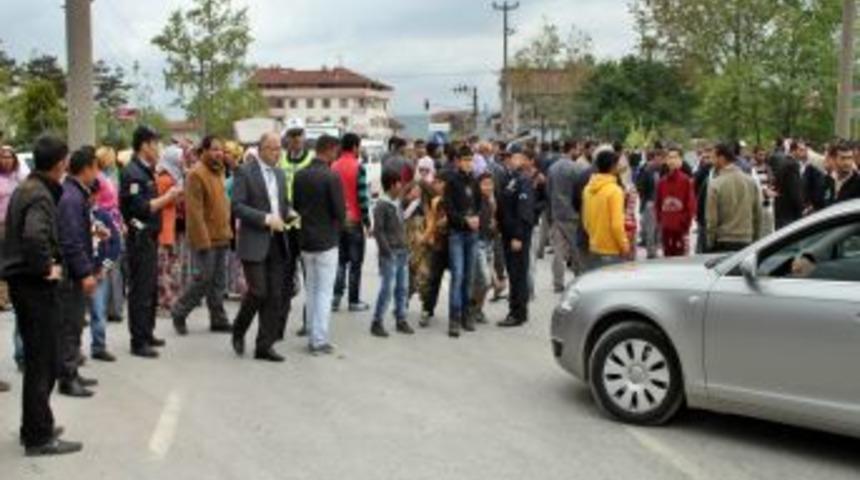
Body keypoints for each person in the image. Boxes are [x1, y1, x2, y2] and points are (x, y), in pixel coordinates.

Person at [1, 135, 83, 456]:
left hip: (24, 284)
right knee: (43, 362)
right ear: (60, 163)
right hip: (34, 287)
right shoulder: (39, 194)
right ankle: (38, 437)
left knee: (38, 360)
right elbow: (35, 236)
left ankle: (34, 426)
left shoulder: (29, 188)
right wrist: (47, 268)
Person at [121, 126, 182, 359]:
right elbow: (139, 209)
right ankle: (138, 340)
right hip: (140, 237)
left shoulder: (145, 170)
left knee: (149, 289)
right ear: (144, 145)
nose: (158, 149)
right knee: (140, 290)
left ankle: (147, 333)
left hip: (149, 236)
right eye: (155, 144)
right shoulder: (132, 173)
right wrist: (168, 198)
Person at [231, 133, 293, 362]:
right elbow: (237, 207)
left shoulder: (280, 174)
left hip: (277, 241)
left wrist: (289, 212)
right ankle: (239, 329)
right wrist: (266, 219)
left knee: (274, 295)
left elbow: (282, 204)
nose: (278, 153)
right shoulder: (245, 172)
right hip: (254, 241)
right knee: (258, 291)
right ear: (261, 149)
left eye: (279, 148)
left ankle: (264, 346)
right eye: (273, 149)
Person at [170, 136, 233, 335]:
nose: (219, 153)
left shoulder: (219, 171)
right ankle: (179, 311)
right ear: (204, 151)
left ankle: (218, 319)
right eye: (214, 149)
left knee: (218, 282)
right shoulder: (196, 174)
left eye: (220, 149)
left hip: (222, 235)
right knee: (203, 279)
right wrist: (203, 241)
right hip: (205, 239)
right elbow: (195, 212)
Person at [292, 135, 345, 355]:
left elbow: (295, 206)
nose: (336, 155)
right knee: (324, 292)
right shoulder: (331, 177)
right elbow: (339, 212)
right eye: (336, 151)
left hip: (306, 240)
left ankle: (312, 331)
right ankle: (318, 339)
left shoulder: (300, 175)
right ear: (329, 149)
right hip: (326, 241)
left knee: (312, 289)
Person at [56, 147, 101, 398]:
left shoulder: (76, 193)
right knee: (70, 325)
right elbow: (71, 240)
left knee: (75, 323)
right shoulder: (71, 196)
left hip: (74, 271)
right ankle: (67, 377)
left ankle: (72, 371)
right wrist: (85, 272)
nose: (97, 174)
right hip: (71, 273)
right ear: (86, 169)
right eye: (95, 168)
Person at [278, 118, 314, 338]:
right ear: (287, 138)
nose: (296, 138)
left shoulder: (312, 160)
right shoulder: (280, 159)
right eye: (292, 134)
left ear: (304, 136)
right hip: (285, 226)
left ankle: (309, 322)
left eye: (299, 133)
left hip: (306, 227)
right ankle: (279, 323)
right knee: (285, 276)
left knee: (310, 278)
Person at [370, 169, 413, 338]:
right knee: (387, 289)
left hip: (402, 251)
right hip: (390, 253)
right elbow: (378, 231)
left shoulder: (397, 202)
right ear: (392, 185)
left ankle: (401, 319)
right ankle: (377, 321)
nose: (401, 186)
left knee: (402, 288)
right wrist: (386, 252)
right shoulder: (382, 205)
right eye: (399, 183)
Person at [443, 146, 481, 337]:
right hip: (457, 234)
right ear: (458, 161)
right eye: (465, 160)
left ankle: (467, 315)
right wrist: (465, 220)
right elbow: (449, 210)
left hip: (472, 235)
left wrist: (477, 218)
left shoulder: (475, 181)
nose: (468, 163)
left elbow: (480, 205)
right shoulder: (451, 182)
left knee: (469, 276)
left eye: (470, 159)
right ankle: (454, 319)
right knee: (457, 275)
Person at [331, 133, 371, 312]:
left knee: (340, 261)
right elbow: (362, 198)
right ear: (355, 147)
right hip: (354, 221)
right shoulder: (358, 167)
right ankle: (353, 301)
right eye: (359, 146)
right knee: (355, 263)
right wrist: (367, 221)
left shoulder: (333, 166)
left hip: (337, 221)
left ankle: (335, 298)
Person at [497, 150, 536, 328]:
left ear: (524, 160)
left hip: (517, 236)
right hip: (508, 234)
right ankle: (518, 310)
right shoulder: (512, 179)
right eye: (512, 157)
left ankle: (517, 313)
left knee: (518, 274)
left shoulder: (524, 180)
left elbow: (524, 210)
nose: (512, 160)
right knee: (514, 273)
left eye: (516, 157)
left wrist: (518, 236)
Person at [546, 140, 588, 293]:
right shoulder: (577, 168)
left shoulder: (552, 168)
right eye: (577, 149)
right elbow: (580, 193)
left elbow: (548, 191)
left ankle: (558, 283)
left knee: (558, 251)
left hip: (557, 213)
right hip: (572, 214)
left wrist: (551, 213)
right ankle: (579, 278)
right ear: (572, 149)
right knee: (576, 248)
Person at [706, 143, 762, 253]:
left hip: (723, 241)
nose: (711, 161)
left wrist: (710, 242)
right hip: (746, 239)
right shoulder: (750, 181)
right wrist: (755, 239)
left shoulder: (715, 184)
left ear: (721, 158)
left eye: (713, 157)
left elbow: (712, 220)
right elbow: (757, 214)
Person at [89, 180, 121, 363]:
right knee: (73, 316)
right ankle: (72, 351)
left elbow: (116, 245)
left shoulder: (104, 216)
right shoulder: (75, 213)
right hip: (80, 269)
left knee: (98, 310)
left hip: (98, 270)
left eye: (93, 194)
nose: (90, 198)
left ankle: (99, 346)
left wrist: (105, 266)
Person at [582, 148, 631, 269]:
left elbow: (585, 221)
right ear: (613, 166)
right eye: (618, 164)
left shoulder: (588, 189)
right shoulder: (615, 191)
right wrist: (624, 245)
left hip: (593, 247)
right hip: (611, 250)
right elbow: (616, 225)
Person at [94, 147, 125, 323]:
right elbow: (100, 203)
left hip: (113, 220)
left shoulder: (107, 176)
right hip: (106, 222)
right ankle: (109, 307)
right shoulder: (99, 178)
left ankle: (113, 306)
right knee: (110, 262)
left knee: (113, 263)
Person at [155, 146, 185, 317]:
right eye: (179, 158)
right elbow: (161, 202)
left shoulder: (171, 177)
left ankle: (169, 300)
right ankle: (166, 302)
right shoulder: (165, 179)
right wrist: (176, 194)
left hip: (168, 228)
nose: (182, 161)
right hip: (164, 229)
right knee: (165, 268)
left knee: (168, 267)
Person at [467, 173, 497, 325]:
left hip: (489, 242)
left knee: (486, 281)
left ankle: (477, 309)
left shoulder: (491, 202)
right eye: (484, 184)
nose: (488, 187)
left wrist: (493, 226)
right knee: (484, 280)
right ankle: (472, 307)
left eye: (490, 184)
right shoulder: (474, 202)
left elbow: (492, 224)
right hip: (477, 243)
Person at [656, 147, 696, 257]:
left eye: (675, 157)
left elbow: (690, 205)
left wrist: (684, 224)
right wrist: (661, 221)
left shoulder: (686, 181)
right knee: (667, 257)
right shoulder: (662, 182)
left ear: (680, 160)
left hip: (680, 229)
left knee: (681, 258)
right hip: (666, 228)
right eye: (669, 157)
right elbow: (658, 204)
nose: (672, 160)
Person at [421, 174, 449, 327]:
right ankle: (427, 309)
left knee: (461, 279)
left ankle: (463, 311)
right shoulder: (435, 201)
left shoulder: (454, 200)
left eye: (439, 182)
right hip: (438, 245)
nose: (436, 185)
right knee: (433, 279)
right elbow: (432, 223)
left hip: (454, 244)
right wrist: (426, 238)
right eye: (435, 182)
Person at [751, 146, 777, 237]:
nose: (762, 157)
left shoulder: (768, 168)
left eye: (764, 155)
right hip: (757, 202)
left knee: (769, 226)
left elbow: (772, 182)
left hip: (768, 202)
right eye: (760, 155)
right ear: (754, 155)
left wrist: (771, 189)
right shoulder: (751, 169)